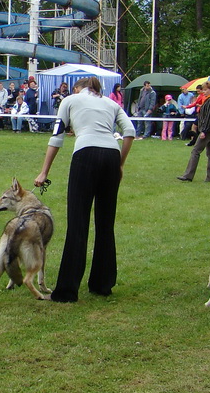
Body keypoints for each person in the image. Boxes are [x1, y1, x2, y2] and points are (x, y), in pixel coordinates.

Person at [33, 76, 134, 303]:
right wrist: (120, 164)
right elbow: (130, 132)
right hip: (111, 155)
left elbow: (57, 137)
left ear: (78, 88)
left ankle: (67, 291)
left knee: (78, 223)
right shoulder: (111, 103)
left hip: (85, 154)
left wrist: (44, 172)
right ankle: (102, 284)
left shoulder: (70, 100)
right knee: (105, 223)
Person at [177, 81, 210, 182]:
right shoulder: (209, 100)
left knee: (196, 151)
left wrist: (204, 131)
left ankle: (188, 175)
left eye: (205, 90)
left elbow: (209, 117)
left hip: (208, 130)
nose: (203, 92)